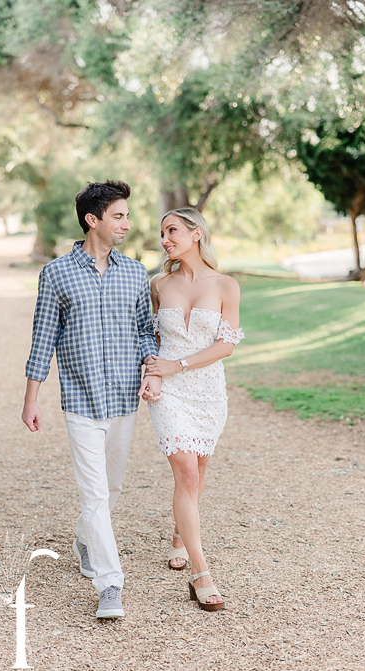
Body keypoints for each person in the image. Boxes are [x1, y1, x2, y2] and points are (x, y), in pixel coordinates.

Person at [22, 180, 157, 619]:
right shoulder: (56, 274)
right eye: (119, 216)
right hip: (80, 400)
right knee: (95, 493)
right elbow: (43, 338)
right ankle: (109, 585)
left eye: (127, 216)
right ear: (92, 220)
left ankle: (85, 539)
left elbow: (144, 330)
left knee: (112, 486)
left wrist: (152, 366)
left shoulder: (135, 273)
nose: (127, 224)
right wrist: (31, 398)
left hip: (123, 398)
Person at [139, 208, 243, 612]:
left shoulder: (226, 285)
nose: (165, 239)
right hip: (168, 392)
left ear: (196, 233)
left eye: (172, 231)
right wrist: (155, 373)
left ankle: (181, 534)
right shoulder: (159, 284)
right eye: (162, 233)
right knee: (185, 471)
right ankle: (202, 574)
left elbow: (226, 345)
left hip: (207, 391)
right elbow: (149, 336)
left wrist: (178, 365)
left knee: (197, 471)